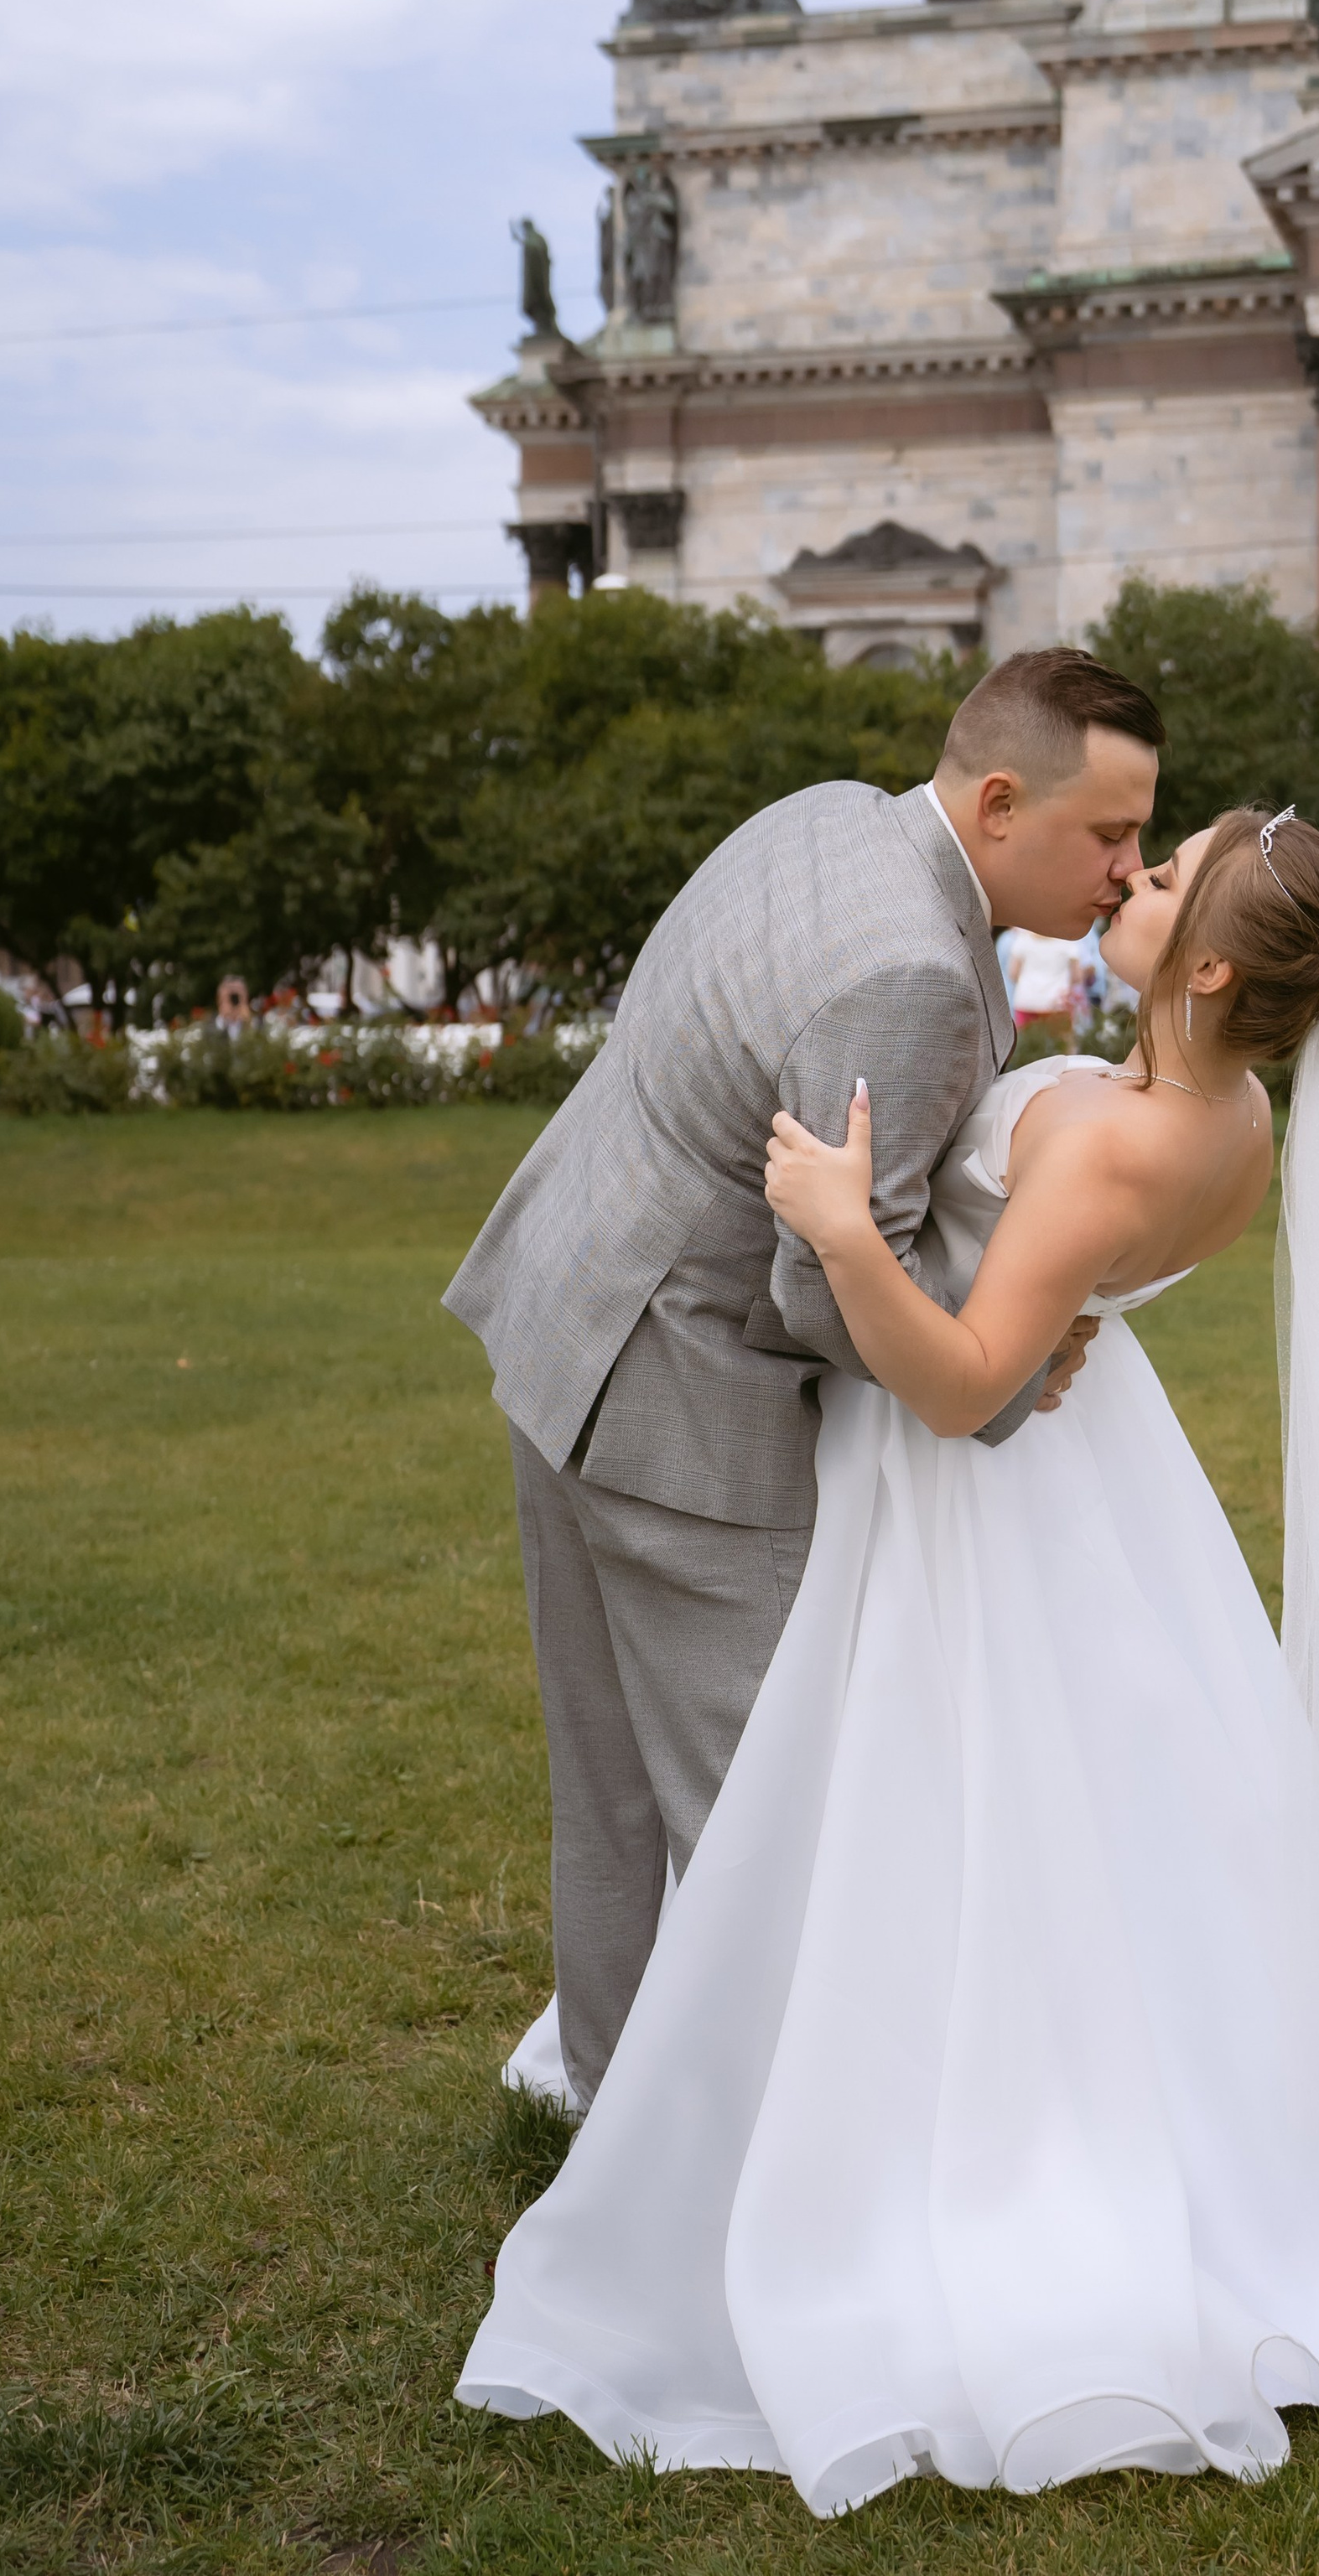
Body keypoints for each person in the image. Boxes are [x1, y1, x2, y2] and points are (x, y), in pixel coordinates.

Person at [460, 810, 1319, 2510]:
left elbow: (958, 1383)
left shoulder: (1101, 1137)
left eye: (1161, 881)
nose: (1128, 889)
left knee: (937, 1814)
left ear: (1209, 964)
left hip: (974, 1506)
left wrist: (840, 1223)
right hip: (1111, 1504)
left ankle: (892, 2140)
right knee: (1119, 1830)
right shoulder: (1226, 1123)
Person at [441, 646, 1163, 2116]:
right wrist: (1002, 1362)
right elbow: (824, 1275)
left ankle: (622, 2102)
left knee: (614, 1788)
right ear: (1005, 801)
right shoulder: (911, 970)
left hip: (564, 1302)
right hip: (675, 1395)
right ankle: (751, 2178)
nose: (1126, 869)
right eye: (1110, 836)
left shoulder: (837, 812)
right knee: (769, 1802)